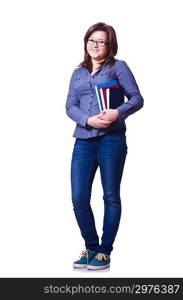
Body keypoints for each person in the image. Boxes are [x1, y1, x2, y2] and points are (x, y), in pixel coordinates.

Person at [65, 22, 144, 270]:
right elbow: (70, 105)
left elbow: (137, 99)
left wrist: (117, 113)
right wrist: (86, 119)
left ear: (109, 45)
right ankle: (90, 246)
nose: (95, 45)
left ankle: (104, 252)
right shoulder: (78, 72)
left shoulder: (118, 67)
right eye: (91, 40)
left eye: (101, 41)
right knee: (79, 198)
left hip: (111, 140)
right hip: (83, 141)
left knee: (110, 196)